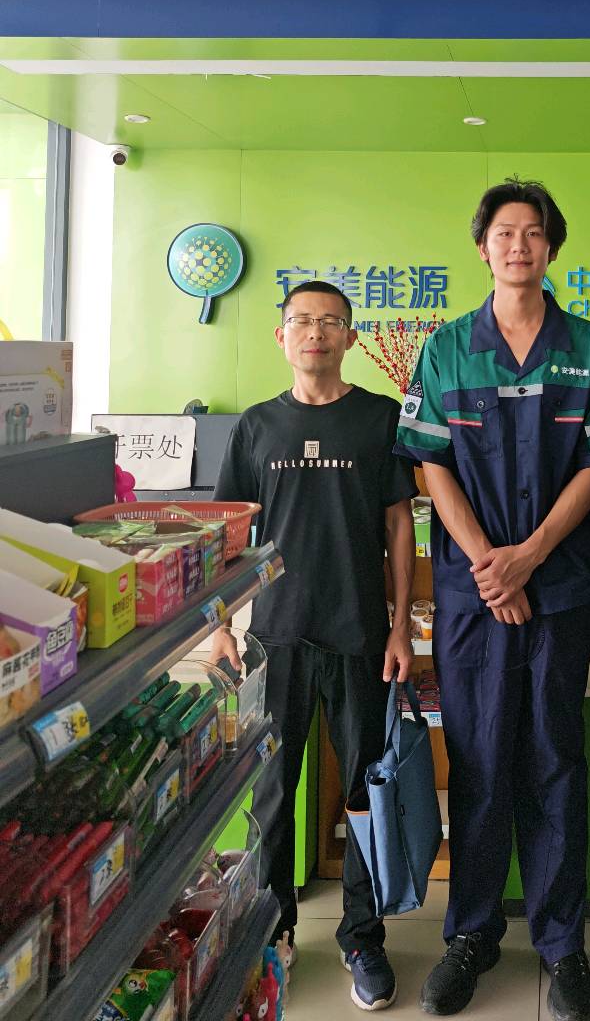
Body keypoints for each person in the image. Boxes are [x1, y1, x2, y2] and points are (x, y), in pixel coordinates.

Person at [395, 179, 590, 1021]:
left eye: (534, 233)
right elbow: (430, 464)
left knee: (553, 759)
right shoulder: (447, 348)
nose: (519, 245)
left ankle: (562, 943)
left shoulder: (589, 347)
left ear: (551, 248)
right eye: (505, 232)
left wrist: (530, 558)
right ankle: (471, 934)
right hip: (472, 597)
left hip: (557, 586)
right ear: (483, 247)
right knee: (476, 761)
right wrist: (488, 567)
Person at [213, 280, 417, 1013]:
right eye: (302, 320)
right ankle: (274, 931)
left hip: (359, 635)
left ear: (350, 337)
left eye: (331, 322)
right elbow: (230, 532)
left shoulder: (378, 418)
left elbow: (399, 524)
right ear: (282, 335)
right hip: (274, 637)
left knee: (364, 793)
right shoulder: (257, 426)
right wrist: (219, 625)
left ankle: (362, 937)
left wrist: (400, 625)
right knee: (272, 794)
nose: (316, 333)